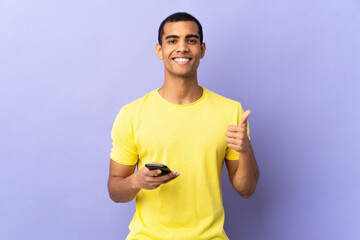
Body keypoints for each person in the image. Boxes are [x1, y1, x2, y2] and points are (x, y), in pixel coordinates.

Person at [108, 12, 260, 240]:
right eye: (172, 40)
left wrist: (246, 150)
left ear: (202, 49)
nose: (182, 47)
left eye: (191, 40)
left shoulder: (231, 111)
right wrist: (137, 181)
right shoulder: (131, 114)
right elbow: (115, 190)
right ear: (160, 50)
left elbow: (246, 190)